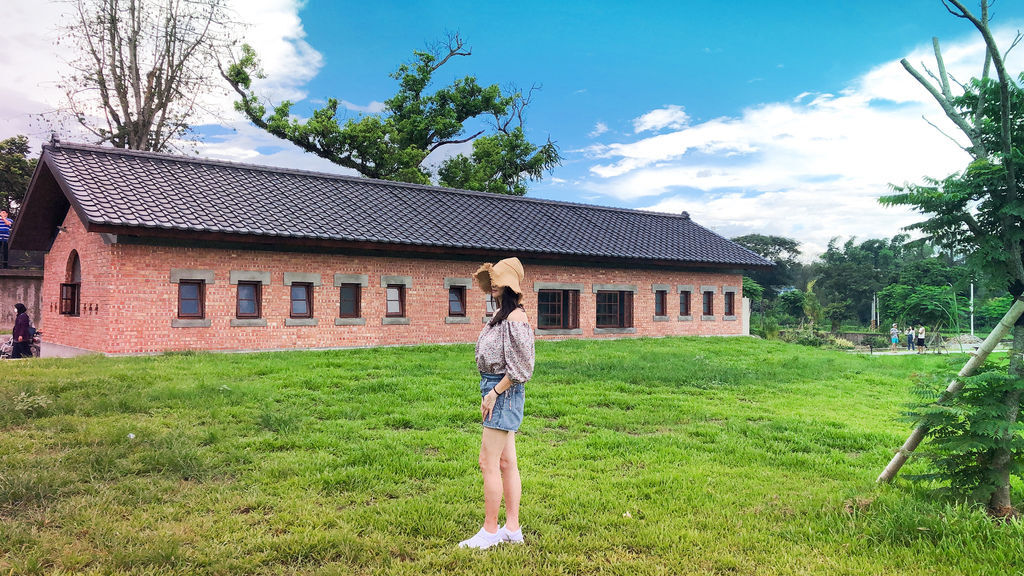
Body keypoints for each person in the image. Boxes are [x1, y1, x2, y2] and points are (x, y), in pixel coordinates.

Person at [459, 257, 535, 550]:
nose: (491, 286)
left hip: (503, 390)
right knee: (506, 462)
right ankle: (512, 529)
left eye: (496, 281)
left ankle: (490, 531)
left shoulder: (515, 318)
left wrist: (494, 393)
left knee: (487, 461)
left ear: (508, 285)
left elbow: (522, 368)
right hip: (496, 388)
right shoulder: (502, 316)